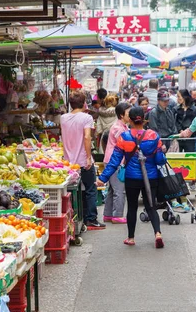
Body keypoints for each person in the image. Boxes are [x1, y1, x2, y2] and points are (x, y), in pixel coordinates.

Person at [96, 107, 166, 248]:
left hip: (131, 178)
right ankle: (157, 233)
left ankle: (131, 238)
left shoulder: (124, 137)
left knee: (132, 207)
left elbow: (114, 161)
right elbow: (160, 160)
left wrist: (102, 178)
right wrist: (161, 153)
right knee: (151, 206)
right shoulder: (153, 136)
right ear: (143, 118)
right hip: (151, 177)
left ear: (130, 119)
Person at [61, 91, 105, 228]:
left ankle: (74, 218)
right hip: (82, 160)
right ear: (84, 103)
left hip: (68, 162)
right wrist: (87, 157)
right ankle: (90, 218)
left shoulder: (63, 118)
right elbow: (87, 137)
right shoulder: (87, 118)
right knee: (90, 189)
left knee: (73, 190)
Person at [102, 102, 131, 224]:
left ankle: (108, 215)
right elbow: (126, 142)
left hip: (112, 161)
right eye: (128, 113)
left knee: (112, 189)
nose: (131, 115)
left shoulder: (123, 127)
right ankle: (117, 215)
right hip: (114, 162)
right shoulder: (117, 128)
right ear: (121, 115)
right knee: (119, 190)